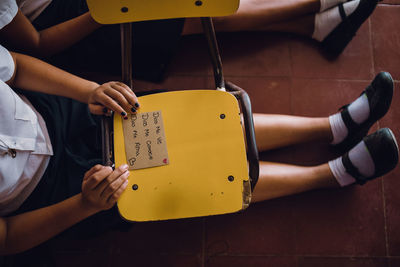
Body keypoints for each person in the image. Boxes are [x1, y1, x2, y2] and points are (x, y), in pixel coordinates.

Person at [0, 42, 398, 255]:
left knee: (189, 126)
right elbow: (7, 238)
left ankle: (331, 127)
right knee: (184, 178)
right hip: (50, 196)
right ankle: (333, 174)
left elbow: (14, 65)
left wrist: (88, 89)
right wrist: (85, 206)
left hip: (53, 114)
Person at [0, 0, 380, 82]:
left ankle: (314, 27)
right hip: (66, 24)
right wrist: (100, 13)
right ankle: (315, 4)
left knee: (193, 15)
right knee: (189, 12)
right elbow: (35, 45)